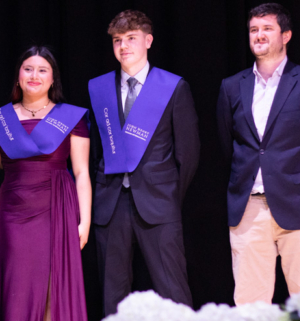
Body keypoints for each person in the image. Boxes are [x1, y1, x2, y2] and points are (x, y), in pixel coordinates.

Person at [215, 3, 300, 305]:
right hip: (249, 209)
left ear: (286, 35)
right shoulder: (231, 86)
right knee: (249, 304)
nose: (259, 35)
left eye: (267, 29)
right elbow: (227, 146)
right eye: (253, 30)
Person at [87, 10, 198, 315]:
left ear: (148, 41)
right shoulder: (99, 88)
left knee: (173, 290)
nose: (123, 46)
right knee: (113, 294)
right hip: (111, 203)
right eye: (117, 40)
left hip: (159, 201)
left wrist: (170, 194)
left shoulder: (173, 86)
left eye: (131, 38)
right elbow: (95, 149)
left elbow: (188, 153)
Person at [0, 46, 91, 321]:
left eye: (43, 70)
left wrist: (85, 221)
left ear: (53, 79)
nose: (34, 75)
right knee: (17, 291)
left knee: (54, 291)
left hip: (57, 210)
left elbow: (81, 172)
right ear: (18, 76)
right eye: (28, 69)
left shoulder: (71, 117)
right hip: (13, 214)